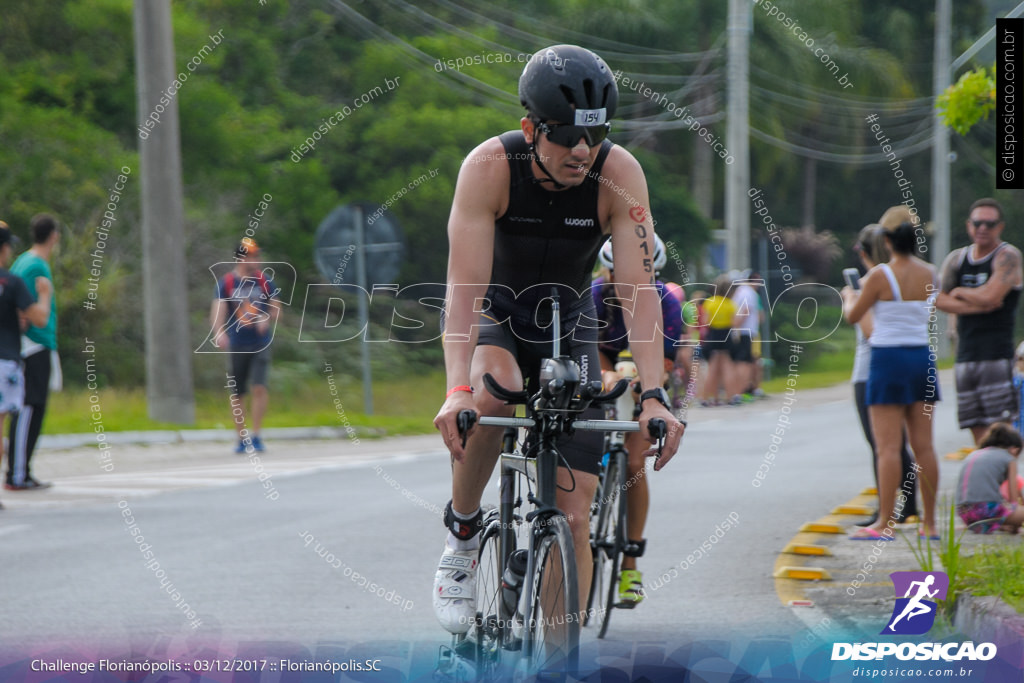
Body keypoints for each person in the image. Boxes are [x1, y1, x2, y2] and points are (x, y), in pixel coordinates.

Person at [431, 44, 684, 636]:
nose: (581, 151)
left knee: (573, 522)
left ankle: (557, 663)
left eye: (594, 136)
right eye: (567, 135)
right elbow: (463, 289)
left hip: (569, 323)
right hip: (498, 313)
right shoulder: (489, 167)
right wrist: (456, 389)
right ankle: (463, 537)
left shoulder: (618, 173)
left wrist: (653, 395)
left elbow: (637, 291)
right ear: (530, 128)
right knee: (496, 394)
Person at [591, 235, 684, 606]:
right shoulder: (596, 296)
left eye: (645, 276)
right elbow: (593, 347)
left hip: (646, 381)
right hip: (608, 371)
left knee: (633, 464)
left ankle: (630, 565)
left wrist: (645, 390)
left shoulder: (665, 302)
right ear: (608, 269)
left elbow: (664, 362)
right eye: (619, 272)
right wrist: (608, 377)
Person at [843, 220, 940, 540]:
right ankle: (930, 525)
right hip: (921, 356)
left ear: (887, 241)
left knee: (887, 448)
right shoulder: (930, 272)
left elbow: (856, 316)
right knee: (924, 445)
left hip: (888, 359)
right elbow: (927, 312)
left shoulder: (880, 275)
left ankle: (884, 523)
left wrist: (848, 298)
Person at [935, 198, 1023, 445]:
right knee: (976, 430)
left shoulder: (1007, 256)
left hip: (996, 356)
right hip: (965, 357)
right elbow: (937, 298)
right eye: (977, 222)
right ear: (968, 225)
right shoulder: (957, 259)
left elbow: (993, 296)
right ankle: (985, 479)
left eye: (989, 223)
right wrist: (980, 302)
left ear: (1000, 227)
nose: (982, 228)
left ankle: (1006, 483)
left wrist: (960, 292)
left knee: (1001, 433)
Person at [847, 223, 918, 526]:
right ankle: (909, 505)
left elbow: (868, 329)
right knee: (899, 443)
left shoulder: (870, 283)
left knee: (882, 446)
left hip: (870, 371)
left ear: (861, 252)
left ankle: (887, 511)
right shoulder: (901, 279)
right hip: (906, 361)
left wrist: (849, 299)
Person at [5, 214, 60, 491]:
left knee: (34, 407)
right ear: (54, 236)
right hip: (33, 344)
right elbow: (18, 300)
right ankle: (17, 473)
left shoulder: (26, 262)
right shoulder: (34, 265)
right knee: (28, 407)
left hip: (36, 344)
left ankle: (22, 470)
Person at [209, 238, 279, 454]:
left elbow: (277, 310)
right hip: (237, 344)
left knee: (259, 387)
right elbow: (217, 312)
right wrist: (219, 333)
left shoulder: (266, 283)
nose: (257, 260)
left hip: (260, 344)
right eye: (252, 256)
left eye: (258, 255)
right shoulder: (227, 283)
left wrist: (266, 317)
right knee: (238, 392)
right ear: (241, 258)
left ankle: (256, 435)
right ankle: (241, 438)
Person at [955, 422, 1024, 534]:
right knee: (1015, 515)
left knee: (1009, 519)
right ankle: (1006, 524)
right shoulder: (1009, 458)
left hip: (965, 514)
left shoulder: (975, 454)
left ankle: (998, 525)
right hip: (987, 511)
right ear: (1014, 449)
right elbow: (1013, 500)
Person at [700, 274, 740, 406]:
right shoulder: (730, 304)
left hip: (713, 335)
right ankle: (731, 397)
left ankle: (705, 398)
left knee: (712, 368)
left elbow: (706, 321)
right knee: (727, 367)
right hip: (726, 335)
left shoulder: (709, 302)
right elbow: (734, 323)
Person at [729, 270, 762, 403]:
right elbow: (746, 311)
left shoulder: (741, 292)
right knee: (745, 363)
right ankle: (740, 391)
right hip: (745, 332)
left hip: (744, 331)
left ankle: (740, 390)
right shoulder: (748, 292)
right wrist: (735, 327)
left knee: (743, 362)